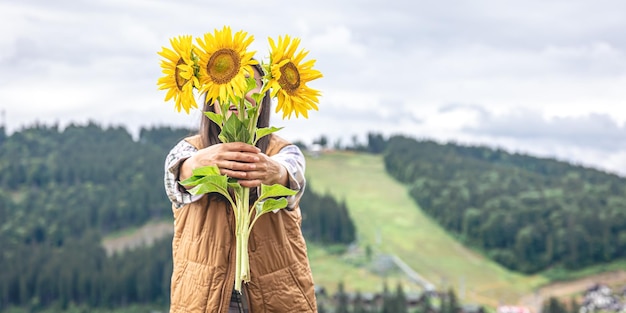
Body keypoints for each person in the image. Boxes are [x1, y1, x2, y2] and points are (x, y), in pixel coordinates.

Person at [163, 62, 318, 313]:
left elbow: (292, 178)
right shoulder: (190, 149)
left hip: (277, 297)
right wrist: (199, 164)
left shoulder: (282, 151)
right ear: (212, 98)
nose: (236, 92)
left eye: (249, 84)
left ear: (264, 97)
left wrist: (271, 171)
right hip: (204, 299)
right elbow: (175, 178)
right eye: (227, 82)